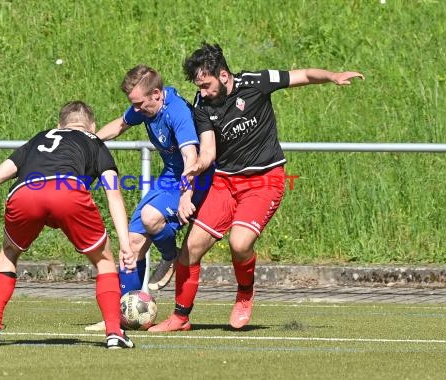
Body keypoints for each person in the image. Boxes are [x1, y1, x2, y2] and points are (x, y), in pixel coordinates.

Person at [149, 43, 365, 332]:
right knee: (189, 250)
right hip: (225, 183)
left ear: (223, 75)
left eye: (206, 84)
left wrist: (332, 75)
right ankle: (180, 317)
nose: (202, 92)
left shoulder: (256, 82)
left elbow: (301, 75)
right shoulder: (202, 105)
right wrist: (197, 167)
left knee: (240, 243)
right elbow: (209, 151)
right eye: (199, 86)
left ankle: (244, 294)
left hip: (265, 180)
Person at [0, 101, 136, 349]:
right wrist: (125, 244)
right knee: (104, 261)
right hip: (67, 191)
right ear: (92, 126)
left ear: (59, 125)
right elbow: (113, 193)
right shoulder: (95, 141)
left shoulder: (39, 138)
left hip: (26, 192)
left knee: (8, 253)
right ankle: (114, 332)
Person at [85, 64, 213, 331]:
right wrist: (85, 141)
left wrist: (185, 196)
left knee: (151, 217)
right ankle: (119, 317)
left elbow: (192, 158)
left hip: (195, 178)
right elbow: (120, 125)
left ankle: (170, 257)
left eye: (140, 103)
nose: (137, 109)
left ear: (156, 94)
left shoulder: (177, 111)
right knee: (130, 245)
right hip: (170, 177)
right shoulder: (144, 106)